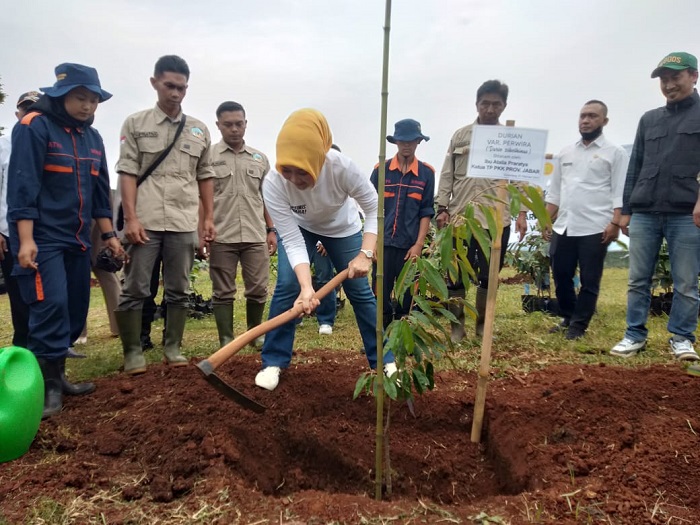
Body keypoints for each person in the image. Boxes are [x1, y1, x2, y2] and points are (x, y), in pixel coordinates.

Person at [7, 63, 122, 417]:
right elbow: (22, 186)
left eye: (94, 100)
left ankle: (61, 377)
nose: (88, 106)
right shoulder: (33, 127)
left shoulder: (93, 138)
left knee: (74, 309)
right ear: (60, 95)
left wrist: (109, 236)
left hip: (78, 239)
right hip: (43, 238)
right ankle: (46, 389)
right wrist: (24, 240)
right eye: (80, 98)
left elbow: (101, 192)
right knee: (50, 306)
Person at [255, 108, 396, 391]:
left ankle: (383, 359)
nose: (294, 178)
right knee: (286, 285)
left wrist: (365, 253)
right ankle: (274, 361)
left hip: (341, 228)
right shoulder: (273, 183)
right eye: (287, 170)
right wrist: (306, 288)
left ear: (318, 159)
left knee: (360, 292)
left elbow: (373, 207)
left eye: (302, 171)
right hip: (300, 227)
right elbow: (292, 241)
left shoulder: (342, 168)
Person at [115, 55, 215, 375]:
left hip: (183, 221)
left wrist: (207, 219)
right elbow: (127, 173)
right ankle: (133, 351)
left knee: (179, 289)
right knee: (135, 288)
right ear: (154, 82)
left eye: (182, 88)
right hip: (144, 221)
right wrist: (130, 218)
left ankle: (172, 346)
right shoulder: (136, 124)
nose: (175, 94)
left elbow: (205, 177)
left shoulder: (199, 130)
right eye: (169, 86)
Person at [610, 52, 700, 361]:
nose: (669, 84)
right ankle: (634, 334)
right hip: (646, 210)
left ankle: (682, 338)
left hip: (687, 213)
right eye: (664, 79)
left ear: (693, 76)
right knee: (637, 279)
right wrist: (625, 209)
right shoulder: (649, 119)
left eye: (676, 77)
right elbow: (635, 165)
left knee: (686, 282)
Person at [436, 80, 527, 342]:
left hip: (496, 220)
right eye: (485, 103)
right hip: (460, 218)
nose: (490, 109)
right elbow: (447, 174)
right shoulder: (461, 136)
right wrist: (443, 207)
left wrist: (521, 214)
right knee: (455, 275)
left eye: (495, 104)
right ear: (477, 104)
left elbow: (519, 180)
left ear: (504, 106)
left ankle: (481, 328)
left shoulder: (511, 139)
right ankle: (457, 328)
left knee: (489, 275)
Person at [544, 100, 628, 340]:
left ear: (604, 121)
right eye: (582, 116)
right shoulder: (565, 153)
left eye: (592, 116)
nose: (586, 120)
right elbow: (555, 192)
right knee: (560, 274)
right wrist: (546, 220)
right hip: (565, 226)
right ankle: (569, 316)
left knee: (590, 280)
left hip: (595, 226)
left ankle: (579, 326)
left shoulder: (615, 153)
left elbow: (619, 190)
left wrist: (615, 222)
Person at [208, 101, 276, 348]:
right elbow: (199, 197)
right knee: (222, 290)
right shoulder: (208, 157)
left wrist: (271, 230)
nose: (234, 129)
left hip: (255, 233)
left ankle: (253, 335)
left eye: (239, 124)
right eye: (228, 125)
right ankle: (226, 338)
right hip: (221, 234)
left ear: (246, 124)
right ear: (218, 125)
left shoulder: (260, 159)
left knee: (258, 287)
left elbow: (267, 198)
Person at [370, 119, 435, 329]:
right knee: (380, 292)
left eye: (412, 141)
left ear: (418, 142)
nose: (407, 145)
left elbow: (426, 212)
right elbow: (370, 207)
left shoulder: (426, 174)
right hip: (384, 245)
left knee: (408, 295)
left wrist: (418, 245)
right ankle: (380, 336)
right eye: (402, 141)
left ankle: (402, 336)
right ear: (396, 141)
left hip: (409, 246)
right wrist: (373, 243)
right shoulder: (381, 170)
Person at [1, 90, 40, 349]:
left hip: (44, 230)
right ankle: (23, 349)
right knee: (19, 295)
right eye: (26, 109)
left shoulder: (45, 140)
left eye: (36, 109)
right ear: (17, 113)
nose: (30, 114)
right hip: (8, 232)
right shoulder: (4, 144)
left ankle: (48, 353)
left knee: (45, 295)